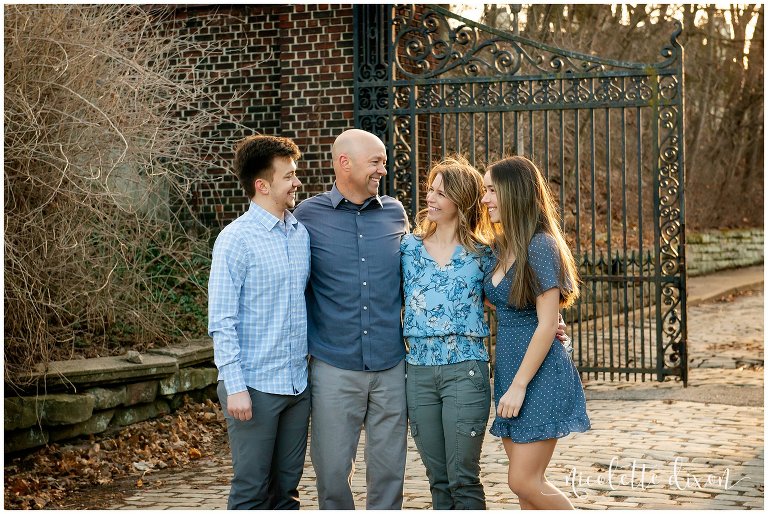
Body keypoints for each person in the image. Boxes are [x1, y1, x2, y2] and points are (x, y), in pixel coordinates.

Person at [293, 129, 409, 510]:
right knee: (330, 473)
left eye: (384, 162)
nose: (383, 170)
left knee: (390, 471)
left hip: (391, 364)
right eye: (376, 161)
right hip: (333, 365)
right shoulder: (307, 215)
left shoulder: (395, 213)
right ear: (345, 163)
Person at [481, 155, 590, 510]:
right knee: (526, 491)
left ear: (515, 193)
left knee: (523, 480)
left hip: (537, 375)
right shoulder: (499, 248)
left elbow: (546, 323)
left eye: (492, 190)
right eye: (484, 190)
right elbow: (501, 301)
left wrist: (519, 385)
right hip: (510, 368)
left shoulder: (541, 245)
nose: (485, 199)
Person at [208, 135, 311, 510]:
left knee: (286, 492)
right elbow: (222, 320)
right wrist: (234, 386)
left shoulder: (300, 235)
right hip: (254, 387)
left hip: (297, 387)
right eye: (289, 176)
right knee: (251, 490)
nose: (297, 183)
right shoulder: (235, 240)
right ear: (262, 185)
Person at [400, 157, 494, 509]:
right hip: (419, 372)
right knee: (438, 481)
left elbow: (510, 301)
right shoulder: (407, 249)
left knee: (463, 479)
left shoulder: (482, 255)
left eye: (441, 193)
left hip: (465, 370)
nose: (431, 198)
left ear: (461, 199)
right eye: (430, 190)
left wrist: (553, 323)